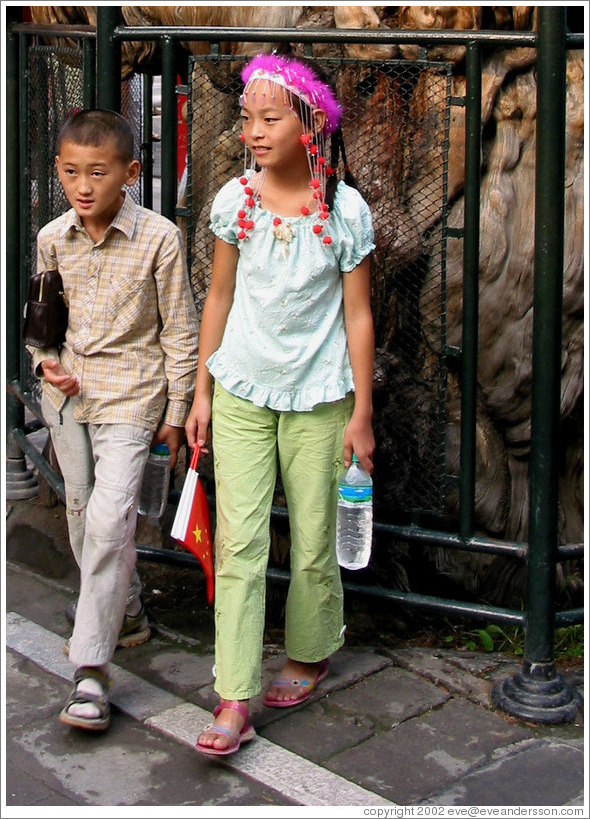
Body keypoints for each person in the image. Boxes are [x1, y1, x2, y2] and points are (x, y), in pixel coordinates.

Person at [185, 54, 375, 756]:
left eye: (271, 118)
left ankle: (311, 648)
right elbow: (219, 296)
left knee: (316, 533)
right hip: (239, 389)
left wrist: (361, 412)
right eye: (248, 118)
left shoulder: (346, 211)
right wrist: (202, 388)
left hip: (322, 397)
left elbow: (358, 316)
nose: (254, 132)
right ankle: (234, 692)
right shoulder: (236, 201)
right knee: (239, 542)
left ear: (312, 123)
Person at [29, 109, 199, 730]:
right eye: (71, 172)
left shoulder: (159, 238)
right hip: (70, 400)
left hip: (133, 397)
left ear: (129, 173)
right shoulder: (53, 237)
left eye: (97, 173)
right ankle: (125, 610)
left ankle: (90, 672)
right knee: (81, 517)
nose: (83, 185)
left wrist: (177, 412)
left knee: (107, 522)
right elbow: (41, 321)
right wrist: (48, 365)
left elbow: (181, 331)